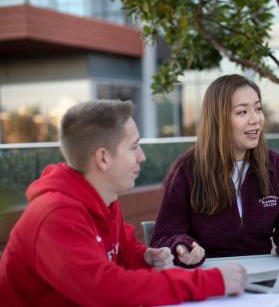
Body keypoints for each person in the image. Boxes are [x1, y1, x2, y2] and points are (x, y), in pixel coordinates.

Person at [0, 100, 246, 306]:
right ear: (103, 158)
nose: (142, 156)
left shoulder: (102, 197)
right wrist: (213, 282)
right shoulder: (54, 216)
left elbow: (123, 251)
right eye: (134, 147)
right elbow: (106, 289)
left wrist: (146, 257)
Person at [151, 74, 279, 267]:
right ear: (219, 119)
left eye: (258, 109)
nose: (255, 119)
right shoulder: (187, 170)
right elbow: (163, 238)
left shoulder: (274, 165)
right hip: (209, 280)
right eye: (242, 112)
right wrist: (181, 247)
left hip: (264, 278)